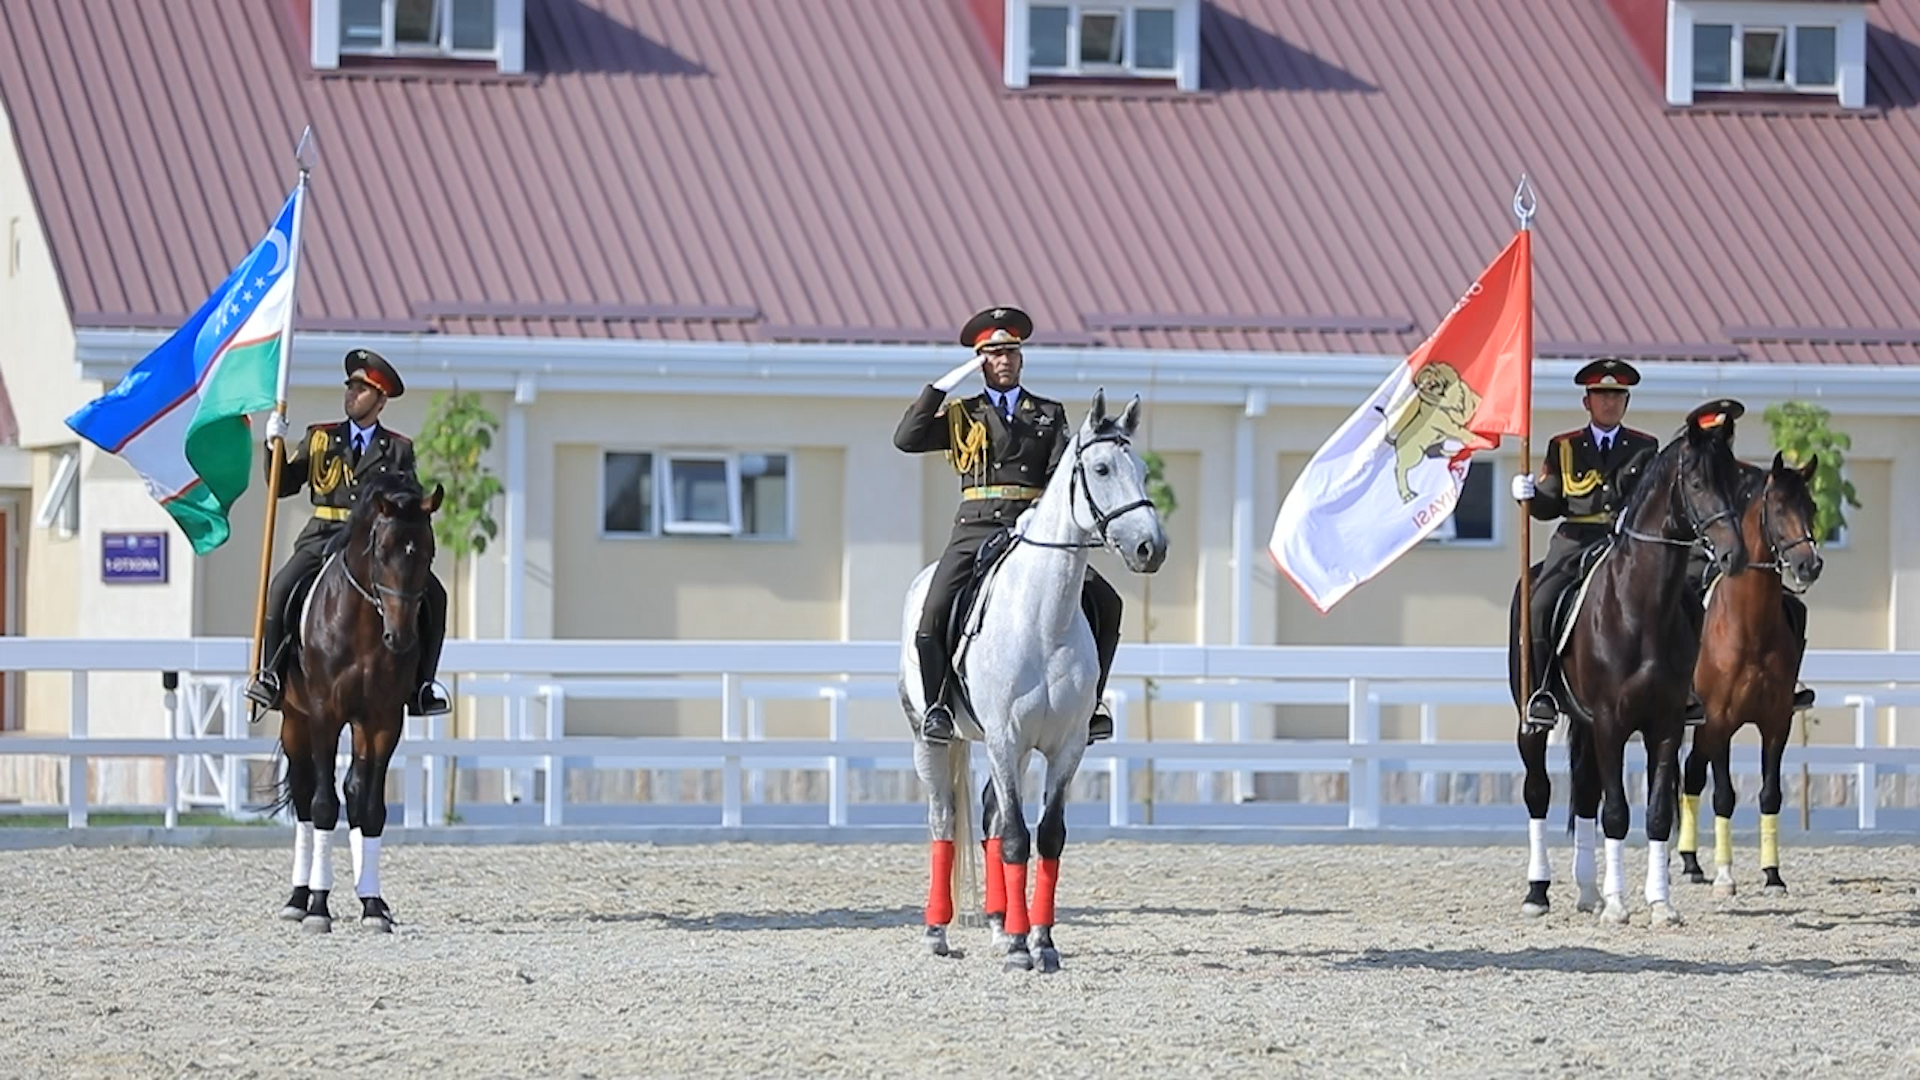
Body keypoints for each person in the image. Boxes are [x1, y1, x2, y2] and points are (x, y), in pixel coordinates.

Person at [894, 306, 1123, 747]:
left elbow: (1058, 476)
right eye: (994, 354)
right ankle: (939, 706)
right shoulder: (963, 414)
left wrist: (1045, 518)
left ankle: (1092, 704)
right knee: (934, 611)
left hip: (1032, 530)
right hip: (977, 527)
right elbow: (907, 438)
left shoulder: (1048, 413)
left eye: (1011, 353)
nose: (1004, 360)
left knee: (1107, 602)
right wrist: (941, 388)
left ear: (1021, 359)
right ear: (981, 361)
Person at [244, 348, 450, 717]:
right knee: (281, 587)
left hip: (374, 542)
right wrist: (274, 446)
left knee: (435, 594)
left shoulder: (398, 449)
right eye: (351, 387)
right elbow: (283, 486)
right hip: (324, 534)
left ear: (381, 401)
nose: (352, 394)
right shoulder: (320, 437)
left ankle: (423, 685)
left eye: (362, 389)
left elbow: (407, 502)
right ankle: (272, 675)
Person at [1510, 358, 1664, 731]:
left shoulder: (1645, 447)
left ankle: (1682, 688)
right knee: (1539, 603)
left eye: (1617, 396)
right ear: (1587, 402)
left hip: (1626, 545)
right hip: (1576, 542)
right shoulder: (1564, 446)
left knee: (1679, 599)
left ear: (1626, 402)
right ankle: (1541, 691)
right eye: (1601, 395)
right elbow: (1549, 505)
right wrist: (1528, 495)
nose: (1609, 402)